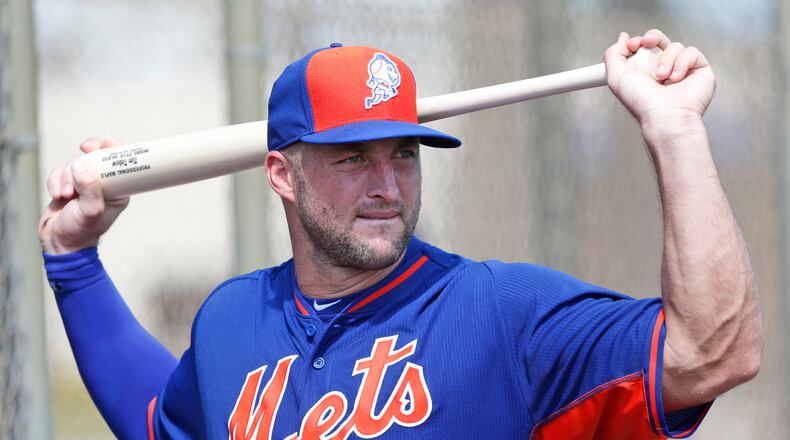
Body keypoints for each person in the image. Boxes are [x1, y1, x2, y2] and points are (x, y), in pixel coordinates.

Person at [39, 30, 762, 440]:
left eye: (404, 154)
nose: (387, 185)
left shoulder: (500, 314)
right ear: (281, 176)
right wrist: (72, 262)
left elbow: (713, 352)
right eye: (353, 158)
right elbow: (157, 421)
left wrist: (676, 133)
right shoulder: (232, 320)